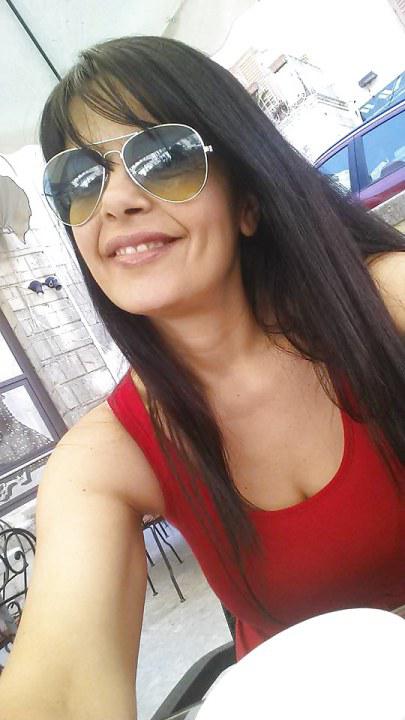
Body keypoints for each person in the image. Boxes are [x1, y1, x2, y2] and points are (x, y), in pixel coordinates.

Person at [0, 34, 405, 720]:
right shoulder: (103, 459)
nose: (115, 200)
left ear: (247, 201)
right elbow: (60, 691)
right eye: (80, 179)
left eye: (161, 158)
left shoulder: (384, 304)